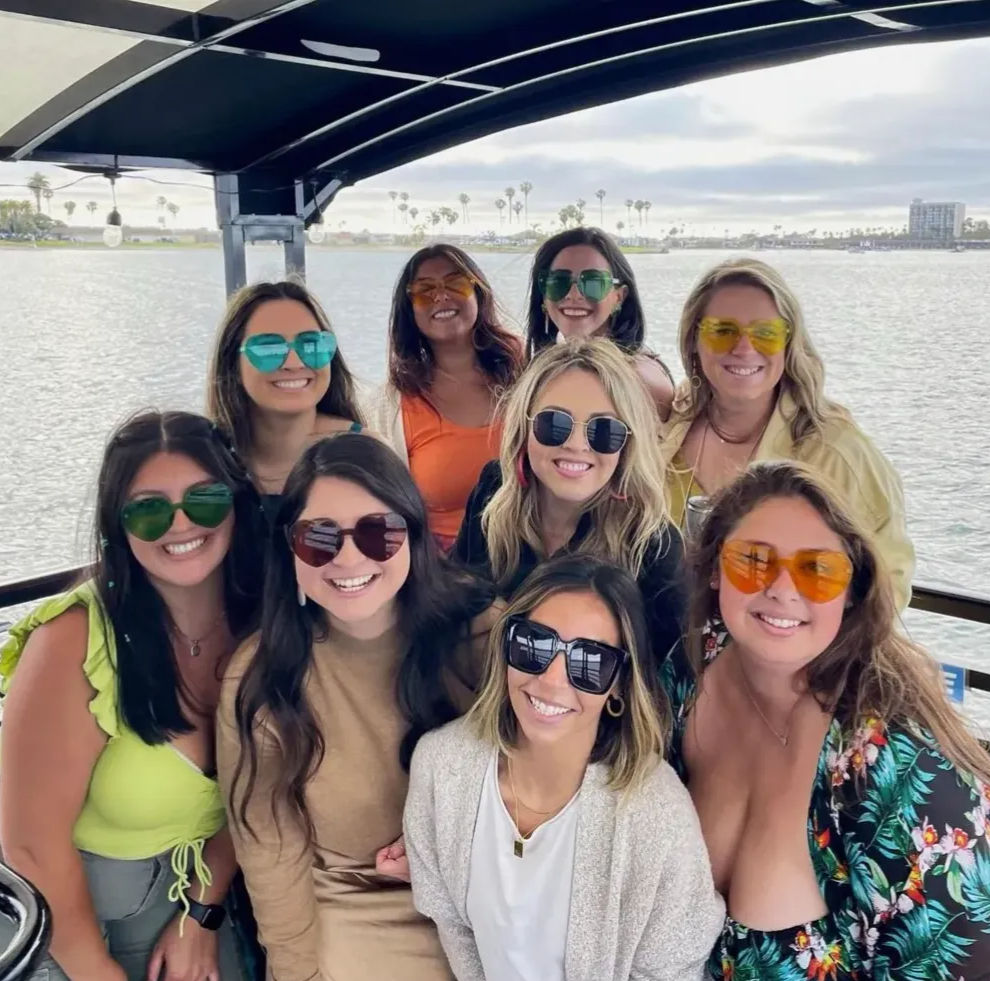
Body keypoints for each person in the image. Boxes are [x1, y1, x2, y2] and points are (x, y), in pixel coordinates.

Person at [669, 460, 990, 979]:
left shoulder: (905, 775)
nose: (782, 589)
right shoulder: (688, 672)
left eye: (817, 570)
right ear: (713, 568)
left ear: (851, 591)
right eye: (753, 560)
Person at [217, 433, 497, 981]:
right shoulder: (260, 680)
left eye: (379, 533)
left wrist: (455, 856)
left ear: (413, 538)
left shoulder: (482, 633)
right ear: (290, 550)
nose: (348, 558)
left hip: (486, 887)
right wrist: (296, 974)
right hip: (355, 899)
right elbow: (273, 852)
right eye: (319, 538)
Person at [0, 411, 264, 981]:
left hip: (185, 901)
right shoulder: (72, 639)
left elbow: (262, 787)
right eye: (148, 508)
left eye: (206, 499)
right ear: (118, 526)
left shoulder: (263, 625)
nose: (180, 523)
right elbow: (30, 846)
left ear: (237, 506)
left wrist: (200, 911)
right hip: (56, 923)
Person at [404, 554, 724, 981]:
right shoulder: (440, 768)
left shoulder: (657, 813)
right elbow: (455, 928)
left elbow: (672, 970)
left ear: (619, 684)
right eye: (533, 645)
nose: (553, 680)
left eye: (589, 663)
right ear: (505, 648)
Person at [661, 257, 914, 609]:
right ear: (693, 341)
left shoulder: (837, 452)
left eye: (765, 333)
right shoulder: (667, 429)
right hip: (664, 654)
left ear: (789, 343)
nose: (744, 348)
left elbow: (887, 587)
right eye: (722, 331)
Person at [454, 337, 685, 668]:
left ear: (627, 445)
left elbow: (665, 678)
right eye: (554, 424)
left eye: (604, 430)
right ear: (525, 427)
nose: (576, 445)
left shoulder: (652, 545)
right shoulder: (493, 490)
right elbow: (456, 598)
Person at [369, 245, 522, 551]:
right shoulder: (391, 406)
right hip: (443, 575)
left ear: (477, 292)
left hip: (531, 560)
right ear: (409, 310)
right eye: (424, 291)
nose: (441, 296)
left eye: (456, 283)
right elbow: (381, 510)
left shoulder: (526, 371)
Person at [207, 278, 365, 522]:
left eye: (311, 344)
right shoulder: (206, 460)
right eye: (268, 348)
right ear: (233, 366)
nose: (294, 363)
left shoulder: (367, 454)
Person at [525, 226, 675, 419]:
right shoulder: (544, 368)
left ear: (619, 297)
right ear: (543, 297)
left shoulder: (644, 381)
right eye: (558, 282)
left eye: (593, 283)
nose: (574, 295)